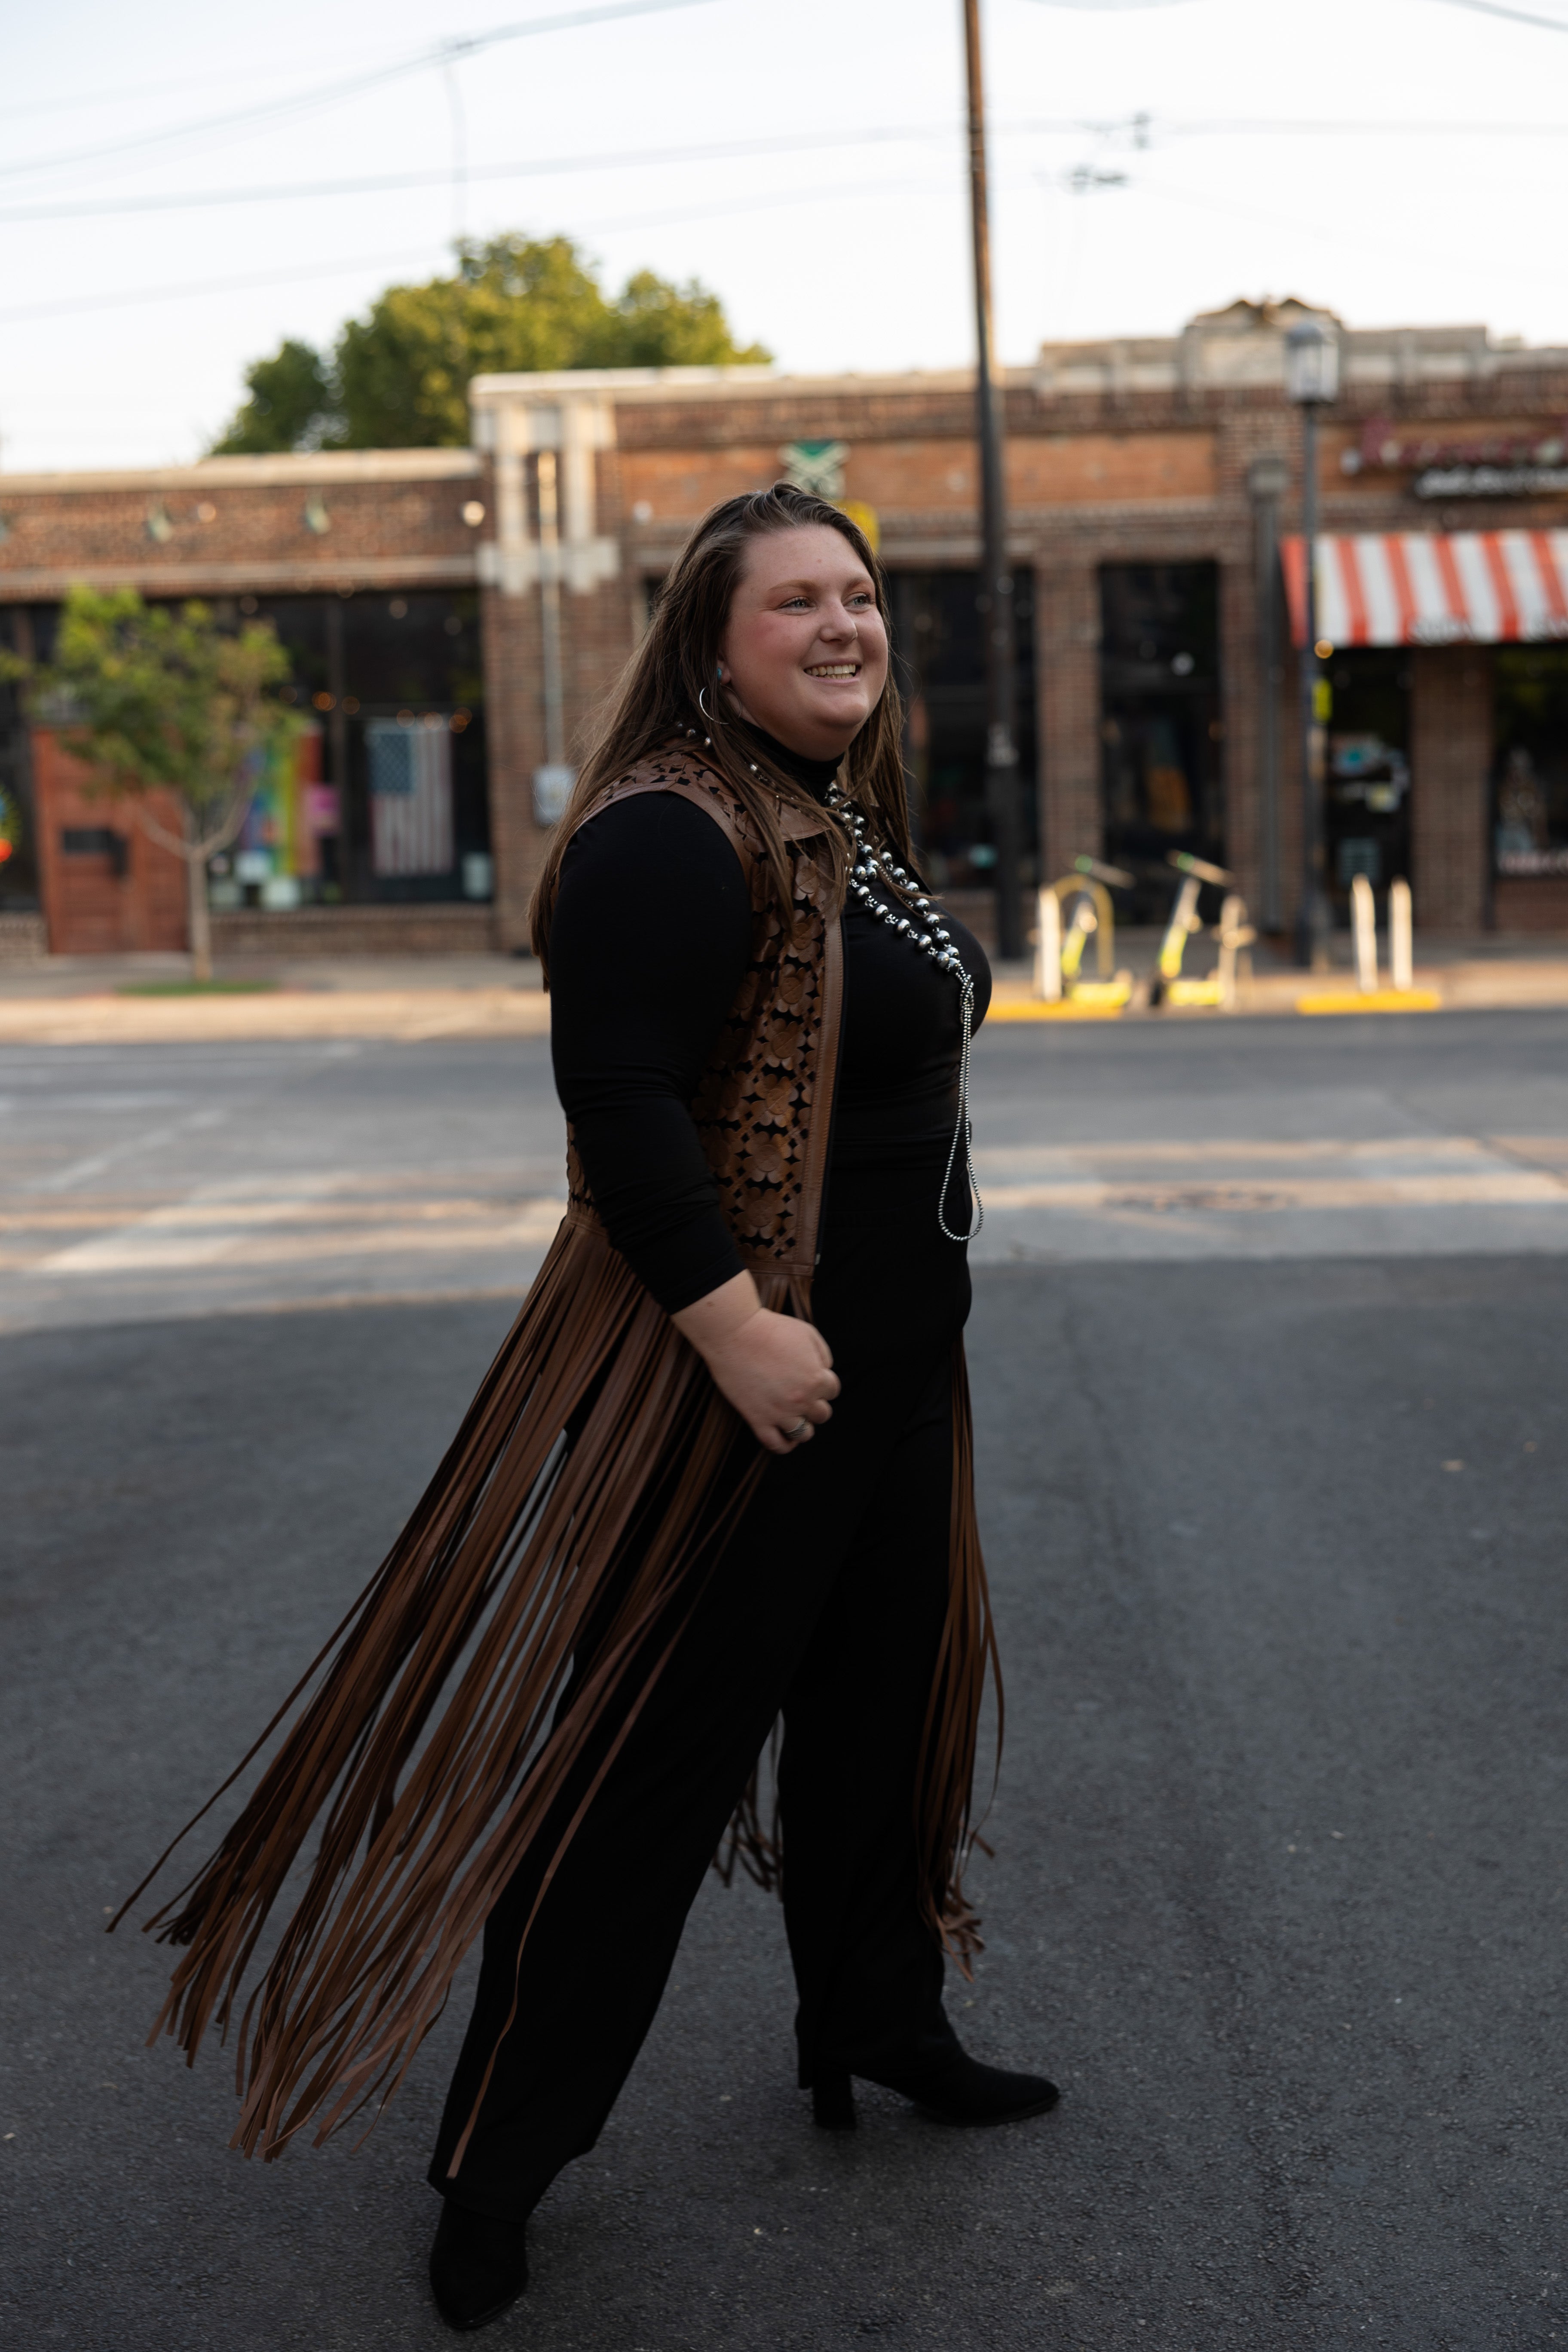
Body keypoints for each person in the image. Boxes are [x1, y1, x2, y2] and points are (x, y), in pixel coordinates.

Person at [126, 485, 1057, 2335]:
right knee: (636, 1783)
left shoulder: (835, 814)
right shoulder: (665, 828)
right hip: (739, 1389)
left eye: (860, 596)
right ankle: (498, 2157)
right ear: (711, 641)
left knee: (882, 1727)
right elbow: (622, 1104)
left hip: (890, 1371)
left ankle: (877, 2021)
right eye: (796, 602)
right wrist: (732, 1329)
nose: (842, 626)